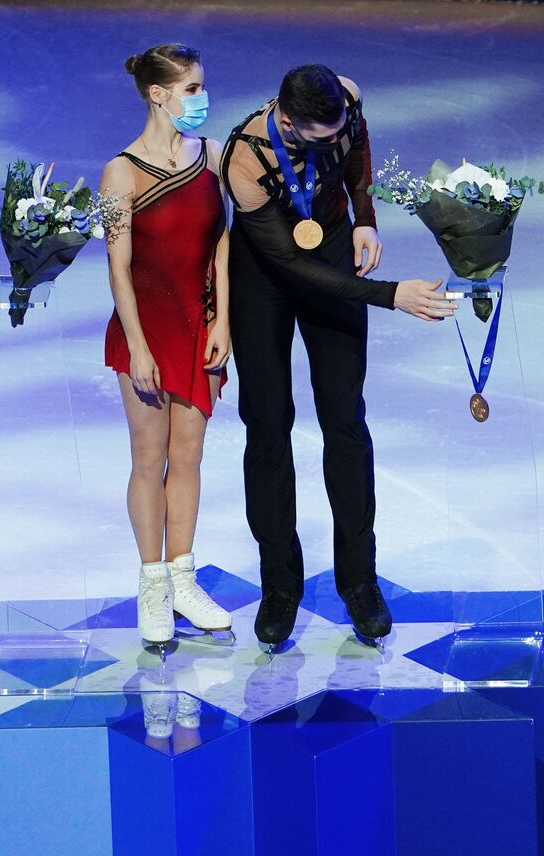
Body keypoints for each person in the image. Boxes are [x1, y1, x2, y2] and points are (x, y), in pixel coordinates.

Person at [220, 64, 456, 651]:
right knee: (268, 426)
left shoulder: (346, 101)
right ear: (287, 119)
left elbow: (357, 152)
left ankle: (359, 580)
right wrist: (391, 295)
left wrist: (365, 220)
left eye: (337, 129)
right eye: (317, 137)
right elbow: (295, 268)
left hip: (332, 242)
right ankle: (280, 586)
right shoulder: (245, 159)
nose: (333, 140)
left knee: (345, 422)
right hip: (268, 275)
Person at [101, 44, 234, 648]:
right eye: (191, 88)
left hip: (198, 325)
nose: (200, 99)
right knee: (147, 457)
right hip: (145, 334)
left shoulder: (210, 157)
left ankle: (184, 576)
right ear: (158, 94)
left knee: (190, 456)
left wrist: (222, 321)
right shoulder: (119, 172)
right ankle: (152, 583)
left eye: (200, 87)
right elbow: (118, 266)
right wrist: (138, 347)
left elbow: (222, 247)